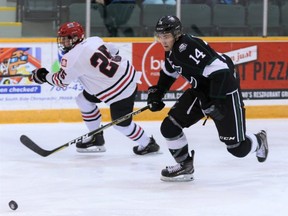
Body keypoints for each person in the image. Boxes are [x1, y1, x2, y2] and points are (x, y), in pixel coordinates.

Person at [147, 15, 268, 182]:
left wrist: (216, 101)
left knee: (237, 148)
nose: (162, 41)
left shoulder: (186, 47)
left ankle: (259, 141)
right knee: (170, 127)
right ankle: (185, 165)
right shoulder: (172, 50)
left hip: (224, 89)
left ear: (176, 34)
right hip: (202, 90)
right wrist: (158, 92)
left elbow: (222, 70)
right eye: (159, 37)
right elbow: (170, 71)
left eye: (166, 36)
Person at [30, 21, 160, 155]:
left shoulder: (71, 58)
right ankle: (95, 137)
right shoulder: (94, 40)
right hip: (125, 76)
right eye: (61, 39)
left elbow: (61, 81)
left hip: (120, 91)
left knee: (121, 125)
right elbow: (114, 49)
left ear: (75, 38)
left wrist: (43, 76)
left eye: (65, 39)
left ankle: (148, 143)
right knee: (83, 100)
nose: (62, 42)